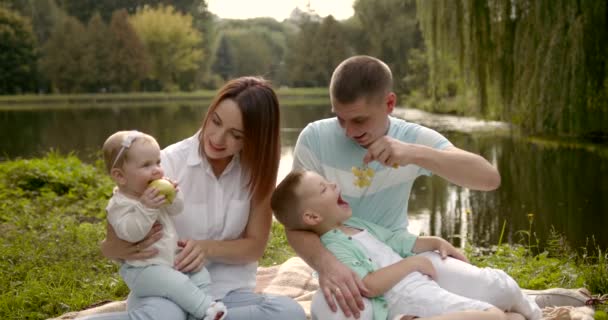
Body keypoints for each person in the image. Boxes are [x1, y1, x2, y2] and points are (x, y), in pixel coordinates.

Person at [286, 54, 536, 320]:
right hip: (348, 268)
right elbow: (295, 223)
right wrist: (328, 265)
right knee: (335, 311)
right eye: (340, 119)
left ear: (389, 103)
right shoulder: (314, 138)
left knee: (498, 291)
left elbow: (489, 179)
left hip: (403, 254)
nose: (348, 131)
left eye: (359, 120)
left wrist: (415, 154)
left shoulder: (412, 138)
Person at [81, 77, 306, 320]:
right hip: (168, 295)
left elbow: (254, 247)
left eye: (236, 135)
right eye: (216, 122)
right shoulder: (165, 164)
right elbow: (115, 236)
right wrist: (116, 248)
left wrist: (205, 248)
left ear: (255, 138)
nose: (218, 139)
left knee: (288, 312)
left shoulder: (257, 173)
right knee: (167, 316)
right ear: (209, 113)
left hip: (229, 294)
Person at [271, 170, 542, 320]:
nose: (333, 185)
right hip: (404, 297)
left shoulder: (360, 224)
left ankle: (531, 314)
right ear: (312, 217)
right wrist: (412, 263)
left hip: (421, 286)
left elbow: (398, 241)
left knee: (506, 306)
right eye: (323, 188)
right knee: (492, 316)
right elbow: (369, 285)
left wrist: (434, 241)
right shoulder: (333, 245)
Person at [101, 130, 227, 320]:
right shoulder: (120, 205)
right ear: (120, 176)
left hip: (167, 263)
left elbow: (176, 209)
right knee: (177, 284)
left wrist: (174, 195)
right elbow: (131, 234)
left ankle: (200, 312)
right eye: (146, 165)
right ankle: (204, 309)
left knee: (200, 275)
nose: (157, 170)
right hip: (142, 270)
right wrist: (146, 207)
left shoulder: (151, 193)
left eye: (158, 162)